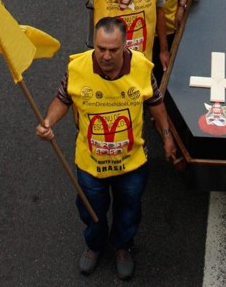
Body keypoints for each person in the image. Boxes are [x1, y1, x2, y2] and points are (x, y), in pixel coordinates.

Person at [35, 17, 176, 280]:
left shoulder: (142, 68)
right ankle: (95, 245)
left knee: (129, 209)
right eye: (101, 48)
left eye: (113, 49)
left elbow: (156, 103)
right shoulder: (77, 68)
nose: (106, 56)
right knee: (91, 210)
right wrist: (48, 122)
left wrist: (166, 135)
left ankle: (122, 245)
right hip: (90, 163)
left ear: (126, 46)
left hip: (132, 163)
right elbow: (62, 99)